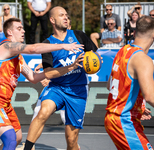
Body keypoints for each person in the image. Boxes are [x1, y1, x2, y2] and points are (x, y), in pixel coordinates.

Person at [0, 17, 83, 150]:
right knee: (10, 138)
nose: (23, 31)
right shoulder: (6, 46)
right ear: (9, 32)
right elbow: (33, 49)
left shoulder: (18, 57)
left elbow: (33, 77)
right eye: (19, 29)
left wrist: (69, 67)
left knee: (17, 137)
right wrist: (62, 45)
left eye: (23, 28)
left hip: (4, 103)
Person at [23, 6, 98, 150]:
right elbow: (49, 74)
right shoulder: (48, 44)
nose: (65, 17)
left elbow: (95, 56)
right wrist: (72, 66)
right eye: (61, 15)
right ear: (52, 20)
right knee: (43, 112)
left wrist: (94, 62)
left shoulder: (79, 35)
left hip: (78, 90)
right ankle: (28, 148)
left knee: (71, 140)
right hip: (57, 87)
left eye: (66, 15)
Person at [105, 16, 154, 150]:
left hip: (114, 118)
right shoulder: (143, 59)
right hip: (123, 121)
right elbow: (150, 96)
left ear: (134, 32)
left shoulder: (122, 51)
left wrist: (137, 107)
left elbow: (110, 85)